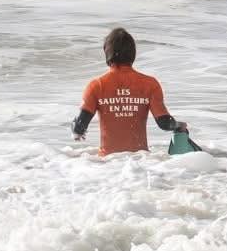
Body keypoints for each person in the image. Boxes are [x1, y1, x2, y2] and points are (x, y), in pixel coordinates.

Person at [71, 27, 187, 156]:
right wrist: (178, 125)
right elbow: (165, 123)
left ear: (107, 52)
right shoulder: (149, 84)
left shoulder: (96, 86)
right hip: (140, 162)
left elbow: (79, 127)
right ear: (133, 53)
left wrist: (76, 131)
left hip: (106, 165)